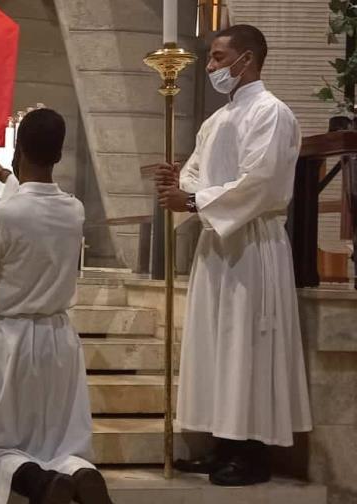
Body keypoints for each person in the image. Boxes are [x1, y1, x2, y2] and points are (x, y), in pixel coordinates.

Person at [155, 24, 312, 486]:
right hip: (217, 242)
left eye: (219, 58)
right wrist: (177, 185)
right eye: (210, 59)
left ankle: (251, 453)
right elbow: (197, 175)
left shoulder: (272, 113)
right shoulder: (216, 121)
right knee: (215, 342)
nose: (210, 67)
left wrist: (194, 201)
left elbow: (259, 182)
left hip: (253, 243)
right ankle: (222, 443)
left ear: (248, 59)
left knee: (247, 342)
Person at [0, 109, 112, 504]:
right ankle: (81, 474)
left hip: (12, 340)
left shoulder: (2, 215)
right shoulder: (74, 209)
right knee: (60, 442)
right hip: (60, 338)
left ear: (19, 148)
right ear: (59, 155)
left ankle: (39, 485)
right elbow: (35, 201)